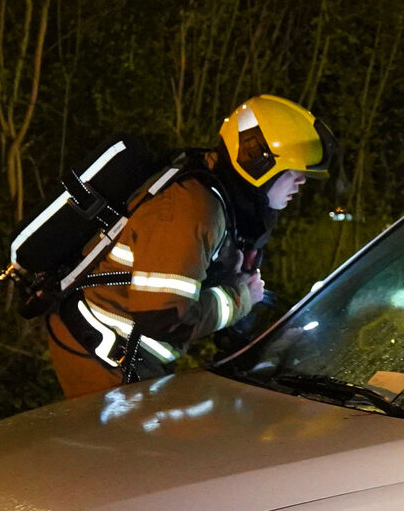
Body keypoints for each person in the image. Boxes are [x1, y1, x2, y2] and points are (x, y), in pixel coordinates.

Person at [46, 95, 333, 398]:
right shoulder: (193, 210)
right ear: (259, 162)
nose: (301, 182)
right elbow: (165, 318)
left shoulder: (220, 200)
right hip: (103, 360)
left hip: (124, 358)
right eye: (294, 171)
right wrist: (241, 299)